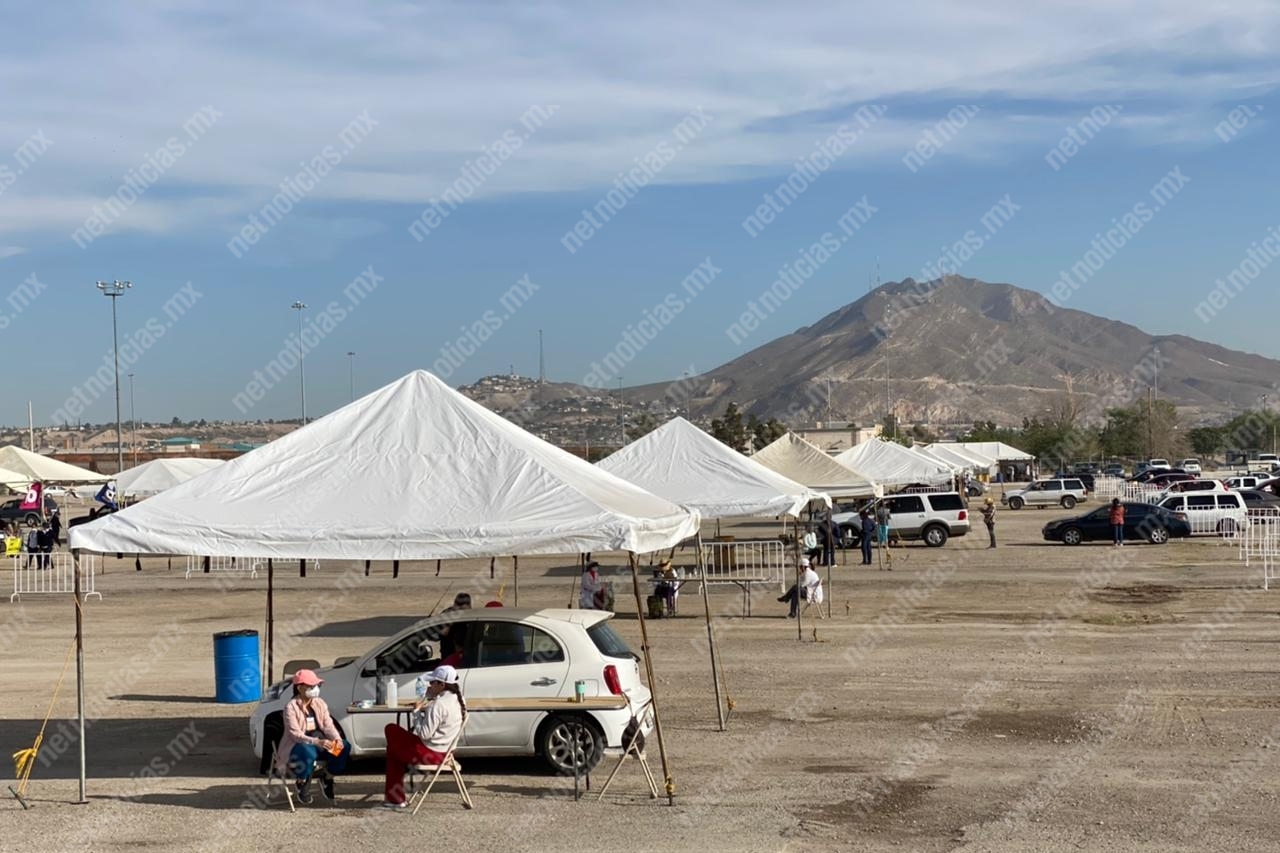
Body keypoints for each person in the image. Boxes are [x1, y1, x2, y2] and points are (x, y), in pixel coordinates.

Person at [382, 665, 465, 809]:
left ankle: (396, 799)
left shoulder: (438, 705)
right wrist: (430, 697)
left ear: (442, 684)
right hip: (447, 751)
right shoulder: (459, 699)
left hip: (432, 753)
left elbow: (424, 733)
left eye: (433, 682)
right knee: (393, 737)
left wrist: (416, 712)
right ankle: (395, 798)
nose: (430, 685)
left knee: (391, 740)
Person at [276, 669, 351, 804]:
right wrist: (317, 742)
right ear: (300, 688)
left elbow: (328, 725)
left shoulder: (320, 703)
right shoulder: (291, 707)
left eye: (317, 686)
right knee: (307, 751)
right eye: (311, 686)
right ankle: (302, 781)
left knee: (343, 747)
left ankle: (327, 776)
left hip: (320, 742)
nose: (315, 689)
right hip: (298, 744)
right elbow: (295, 734)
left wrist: (337, 739)